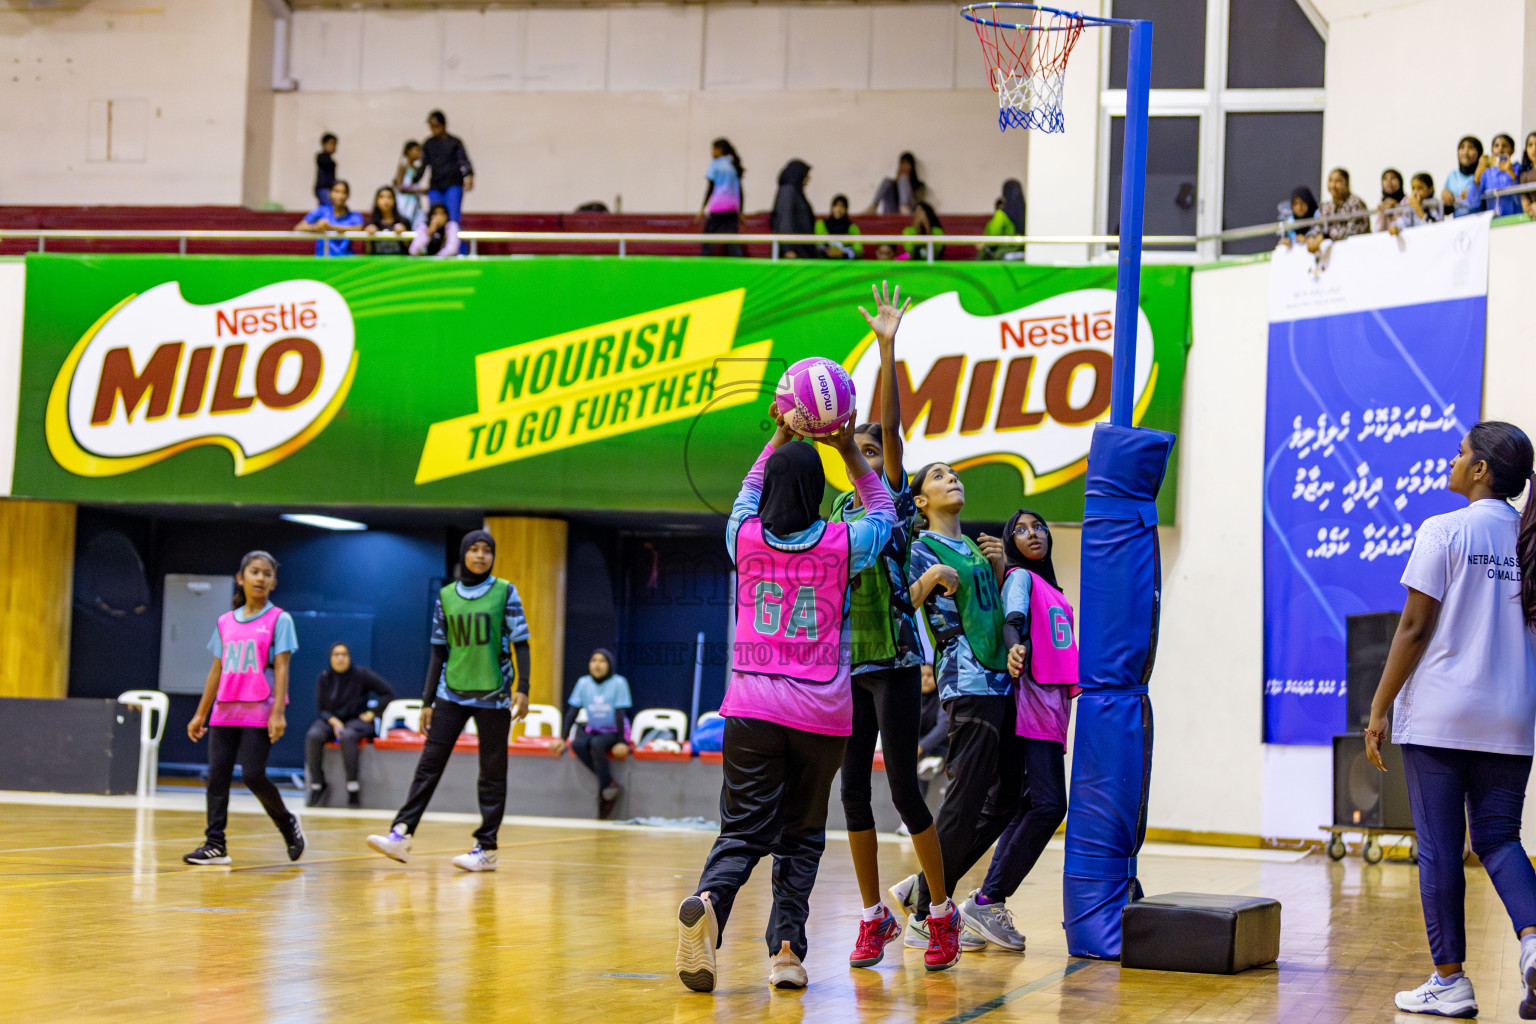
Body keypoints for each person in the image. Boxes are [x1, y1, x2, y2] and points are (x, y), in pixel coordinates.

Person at [673, 413, 901, 993]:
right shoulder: (841, 543)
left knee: (742, 831)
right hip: (821, 716)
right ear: (818, 492)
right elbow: (884, 511)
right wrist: (848, 448)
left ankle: (709, 904)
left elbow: (747, 496)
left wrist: (778, 439)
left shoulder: (743, 539)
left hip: (750, 708)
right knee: (800, 836)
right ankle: (785, 953)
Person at [1364, 422, 1536, 1019]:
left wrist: (1379, 706)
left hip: (1441, 715)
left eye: (1462, 452)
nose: (1454, 459)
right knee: (1499, 838)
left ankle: (1450, 981)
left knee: (1439, 848)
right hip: (1513, 718)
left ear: (1482, 469)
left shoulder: (1444, 530)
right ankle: (1534, 945)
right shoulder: (1532, 539)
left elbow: (1412, 629)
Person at [830, 283, 954, 973]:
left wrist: (886, 346)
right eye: (863, 451)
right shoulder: (837, 520)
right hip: (851, 668)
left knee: (903, 789)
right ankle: (873, 916)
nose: (871, 458)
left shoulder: (895, 507)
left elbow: (893, 430)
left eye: (876, 452)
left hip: (900, 662)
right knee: (850, 792)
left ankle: (940, 911)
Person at [892, 462, 1011, 956]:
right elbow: (898, 606)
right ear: (920, 502)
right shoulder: (921, 549)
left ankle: (920, 887)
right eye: (939, 476)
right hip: (966, 682)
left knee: (1004, 802)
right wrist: (931, 577)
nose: (953, 478)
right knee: (965, 798)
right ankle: (926, 913)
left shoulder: (978, 551)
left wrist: (1001, 569)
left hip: (1003, 682)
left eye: (956, 474)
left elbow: (995, 614)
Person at [366, 531, 531, 872]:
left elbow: (522, 643)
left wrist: (524, 687)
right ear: (463, 554)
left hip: (494, 696)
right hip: (450, 693)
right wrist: (427, 701)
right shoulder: (446, 596)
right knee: (429, 764)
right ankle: (401, 833)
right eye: (474, 549)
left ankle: (486, 847)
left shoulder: (505, 591)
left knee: (492, 774)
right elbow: (438, 651)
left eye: (487, 550)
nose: (481, 556)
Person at [959, 509, 1078, 950]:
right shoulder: (1020, 579)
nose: (1034, 534)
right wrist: (1015, 650)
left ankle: (975, 905)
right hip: (1031, 705)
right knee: (1049, 805)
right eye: (1021, 530)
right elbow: (1013, 624)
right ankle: (985, 899)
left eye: (1040, 526)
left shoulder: (1053, 589)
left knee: (1027, 805)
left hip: (1051, 708)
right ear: (1010, 544)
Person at [182, 551, 305, 866]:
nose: (260, 578)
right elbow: (216, 670)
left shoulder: (279, 619)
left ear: (273, 581)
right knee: (217, 776)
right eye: (254, 572)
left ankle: (287, 823)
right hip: (225, 710)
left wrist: (278, 712)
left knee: (253, 775)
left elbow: (281, 668)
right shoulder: (225, 622)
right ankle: (215, 843)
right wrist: (200, 713)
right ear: (241, 578)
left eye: (266, 573)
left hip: (259, 709)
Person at [304, 642, 395, 808]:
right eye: (336, 655)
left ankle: (353, 786)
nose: (340, 658)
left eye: (343, 654)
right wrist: (333, 721)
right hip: (331, 720)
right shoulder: (324, 677)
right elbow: (321, 709)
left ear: (349, 657)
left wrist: (372, 712)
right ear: (330, 658)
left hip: (357, 720)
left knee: (348, 736)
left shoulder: (361, 674)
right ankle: (318, 784)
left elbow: (387, 692)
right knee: (313, 735)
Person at [552, 648, 633, 819]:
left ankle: (605, 794)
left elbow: (620, 714)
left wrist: (621, 742)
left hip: (615, 731)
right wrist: (562, 739)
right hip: (594, 729)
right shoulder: (583, 683)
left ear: (609, 665)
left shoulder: (619, 683)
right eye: (593, 660)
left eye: (602, 661)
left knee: (597, 745)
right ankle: (608, 783)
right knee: (578, 744)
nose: (597, 664)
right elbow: (572, 712)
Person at [420, 110, 474, 224]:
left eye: (436, 126)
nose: (434, 129)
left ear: (443, 125)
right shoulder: (428, 144)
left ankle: (454, 241)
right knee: (435, 216)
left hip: (453, 183)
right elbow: (423, 165)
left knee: (453, 218)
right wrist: (413, 181)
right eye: (431, 126)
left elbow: (463, 160)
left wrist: (468, 176)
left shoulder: (454, 142)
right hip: (435, 184)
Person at [698, 138, 744, 257]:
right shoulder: (734, 164)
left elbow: (711, 187)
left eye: (713, 149)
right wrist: (741, 210)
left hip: (718, 206)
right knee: (732, 238)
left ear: (719, 150)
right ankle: (738, 261)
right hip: (732, 207)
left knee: (709, 237)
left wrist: (703, 207)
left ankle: (704, 260)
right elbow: (739, 189)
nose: (712, 152)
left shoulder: (715, 165)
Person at [295, 181, 364, 258]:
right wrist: (317, 227)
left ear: (347, 195)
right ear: (330, 193)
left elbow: (358, 229)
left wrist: (330, 227)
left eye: (343, 192)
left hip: (345, 261)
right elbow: (299, 227)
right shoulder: (321, 210)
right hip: (323, 259)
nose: (340, 196)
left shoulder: (354, 216)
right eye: (336, 191)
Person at [1467, 133, 1522, 217]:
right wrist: (1478, 174)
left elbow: (1519, 200)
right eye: (1496, 146)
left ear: (1512, 150)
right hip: (1493, 223)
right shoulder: (1486, 173)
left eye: (1504, 146)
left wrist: (1511, 173)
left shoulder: (1518, 168)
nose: (1500, 149)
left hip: (1515, 220)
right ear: (1492, 150)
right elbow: (1472, 203)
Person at [771, 159, 817, 259]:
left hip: (802, 249)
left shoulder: (796, 192)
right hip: (795, 252)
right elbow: (785, 219)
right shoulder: (788, 191)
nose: (809, 179)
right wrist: (788, 249)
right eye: (806, 175)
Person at [1316, 168, 1369, 242]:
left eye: (1337, 181)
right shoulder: (1326, 207)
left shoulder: (1355, 203)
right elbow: (1317, 229)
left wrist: (1325, 237)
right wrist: (1313, 238)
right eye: (1330, 181)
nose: (1333, 185)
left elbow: (1354, 232)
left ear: (1347, 184)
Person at [979, 179, 1026, 259]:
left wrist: (984, 244)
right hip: (1022, 255)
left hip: (1002, 255)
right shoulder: (1026, 215)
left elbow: (993, 238)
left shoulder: (1001, 215)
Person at [1442, 136, 1484, 218]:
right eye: (1462, 148)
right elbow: (1447, 211)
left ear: (1479, 153)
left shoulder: (1484, 174)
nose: (1465, 152)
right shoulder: (1452, 176)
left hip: (1480, 222)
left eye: (1471, 148)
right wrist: (1444, 197)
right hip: (1459, 224)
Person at [365, 186, 410, 255]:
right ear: (376, 200)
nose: (385, 200)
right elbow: (367, 252)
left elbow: (411, 249)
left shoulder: (404, 221)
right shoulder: (370, 223)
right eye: (381, 197)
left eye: (389, 197)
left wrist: (403, 235)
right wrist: (368, 238)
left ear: (394, 200)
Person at [815, 194, 863, 259]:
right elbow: (817, 247)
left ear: (846, 209)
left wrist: (842, 254)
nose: (839, 209)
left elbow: (858, 251)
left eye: (842, 206)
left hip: (845, 264)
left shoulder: (852, 228)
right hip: (824, 262)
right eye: (836, 205)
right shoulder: (820, 224)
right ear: (832, 207)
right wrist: (829, 251)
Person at [393, 140, 426, 228]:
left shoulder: (417, 169)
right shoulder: (403, 167)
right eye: (416, 150)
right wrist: (418, 190)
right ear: (408, 152)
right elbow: (399, 186)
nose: (419, 153)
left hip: (414, 201)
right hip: (404, 200)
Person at [1372, 168, 1406, 233]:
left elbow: (1406, 225)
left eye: (1393, 178)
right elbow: (1377, 230)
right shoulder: (1381, 203)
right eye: (1385, 179)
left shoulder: (1407, 201)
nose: (1389, 182)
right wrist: (1382, 213)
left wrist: (1396, 208)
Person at [315, 133, 337, 209]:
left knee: (323, 208)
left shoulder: (329, 159)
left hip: (327, 188)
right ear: (324, 144)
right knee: (329, 208)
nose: (333, 146)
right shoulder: (322, 157)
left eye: (334, 144)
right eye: (330, 143)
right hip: (324, 187)